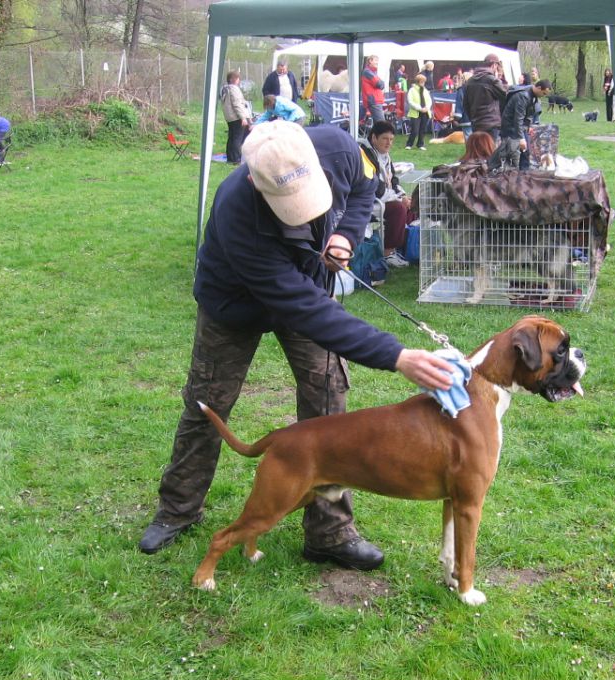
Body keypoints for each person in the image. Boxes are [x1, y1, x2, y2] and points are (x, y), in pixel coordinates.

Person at [138, 122, 455, 563]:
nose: (307, 217)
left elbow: (365, 190)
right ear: (255, 181)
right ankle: (178, 509)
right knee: (206, 402)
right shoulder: (238, 213)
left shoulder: (341, 148)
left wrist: (344, 233)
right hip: (236, 303)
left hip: (306, 286)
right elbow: (308, 310)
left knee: (328, 393)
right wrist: (396, 355)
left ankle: (329, 532)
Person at [362, 121, 412, 268]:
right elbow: (376, 188)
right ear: (373, 138)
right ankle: (388, 252)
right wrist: (398, 199)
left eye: (391, 140)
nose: (388, 143)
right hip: (367, 201)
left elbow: (393, 179)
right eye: (385, 139)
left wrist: (403, 195)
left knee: (411, 205)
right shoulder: (365, 154)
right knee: (398, 209)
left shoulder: (385, 155)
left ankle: (404, 247)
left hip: (382, 196)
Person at [488, 79, 552, 171]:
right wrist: (521, 138)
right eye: (544, 93)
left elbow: (529, 113)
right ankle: (495, 168)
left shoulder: (532, 94)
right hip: (510, 127)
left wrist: (528, 126)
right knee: (509, 153)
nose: (544, 96)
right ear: (538, 88)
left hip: (518, 127)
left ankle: (523, 174)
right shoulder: (523, 96)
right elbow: (518, 118)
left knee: (525, 151)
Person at [463, 53, 508, 141]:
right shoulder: (492, 80)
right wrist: (501, 79)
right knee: (492, 152)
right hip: (492, 124)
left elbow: (466, 104)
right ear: (494, 65)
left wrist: (473, 118)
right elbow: (506, 95)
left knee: (479, 152)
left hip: (476, 124)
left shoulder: (470, 81)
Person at [220, 71, 252, 163]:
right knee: (237, 138)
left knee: (232, 137)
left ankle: (230, 158)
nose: (239, 80)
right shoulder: (234, 89)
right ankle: (236, 159)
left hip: (229, 117)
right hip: (236, 117)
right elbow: (237, 104)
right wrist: (243, 118)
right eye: (237, 78)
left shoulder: (225, 89)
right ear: (233, 79)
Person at [405, 73, 432, 150]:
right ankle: (409, 144)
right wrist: (420, 108)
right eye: (422, 81)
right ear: (418, 81)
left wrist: (427, 107)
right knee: (415, 130)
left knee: (423, 129)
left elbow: (429, 100)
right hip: (415, 113)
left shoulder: (425, 90)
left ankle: (420, 144)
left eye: (424, 81)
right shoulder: (412, 90)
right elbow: (410, 101)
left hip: (425, 113)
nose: (423, 83)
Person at [361, 55, 386, 122]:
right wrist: (381, 83)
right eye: (375, 60)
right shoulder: (368, 72)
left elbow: (381, 84)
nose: (377, 62)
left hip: (375, 100)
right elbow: (379, 83)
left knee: (378, 125)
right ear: (370, 61)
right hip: (374, 101)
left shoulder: (372, 72)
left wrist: (381, 83)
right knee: (381, 124)